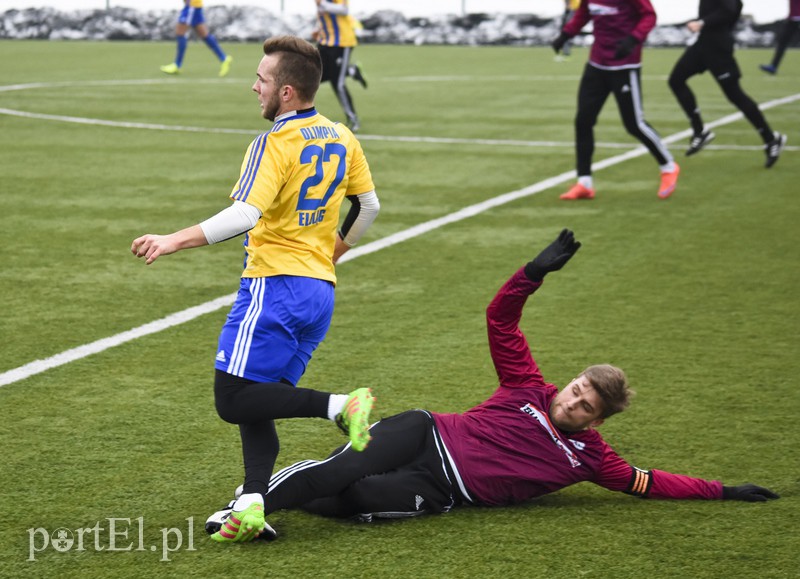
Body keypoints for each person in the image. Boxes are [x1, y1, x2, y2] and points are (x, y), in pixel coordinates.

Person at [205, 230, 779, 539]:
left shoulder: (592, 460)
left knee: (352, 500)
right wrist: (532, 274)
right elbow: (501, 319)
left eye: (586, 404)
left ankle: (276, 498)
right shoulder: (528, 385)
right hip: (424, 434)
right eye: (578, 387)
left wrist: (725, 490)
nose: (573, 399)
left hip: (442, 492)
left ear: (597, 420)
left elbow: (648, 483)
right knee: (343, 468)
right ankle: (242, 510)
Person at [132, 35, 381, 543]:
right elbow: (370, 206)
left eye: (262, 81)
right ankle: (250, 504)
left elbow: (246, 214)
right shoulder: (340, 136)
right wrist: (335, 252)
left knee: (232, 398)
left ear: (287, 92)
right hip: (318, 293)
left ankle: (340, 405)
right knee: (259, 398)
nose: (254, 87)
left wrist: (172, 240)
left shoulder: (274, 142)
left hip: (275, 289)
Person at [551, 0, 680, 201]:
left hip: (624, 66)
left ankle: (668, 166)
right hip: (596, 64)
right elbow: (584, 13)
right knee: (583, 121)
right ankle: (584, 183)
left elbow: (649, 16)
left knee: (634, 124)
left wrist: (633, 39)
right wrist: (566, 34)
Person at [668, 0, 787, 167]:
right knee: (676, 80)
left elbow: (730, 9)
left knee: (735, 95)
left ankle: (771, 139)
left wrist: (702, 23)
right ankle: (699, 131)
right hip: (702, 45)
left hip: (718, 49)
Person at [313, 0, 368, 132]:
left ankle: (353, 119)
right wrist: (317, 29)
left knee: (338, 83)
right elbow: (323, 14)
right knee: (314, 76)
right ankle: (351, 70)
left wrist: (323, 4)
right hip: (325, 42)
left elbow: (344, 10)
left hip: (342, 43)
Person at [160, 0, 233, 77]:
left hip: (192, 6)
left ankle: (177, 65)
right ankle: (224, 58)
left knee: (180, 32)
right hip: (194, 6)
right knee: (204, 35)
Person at [759, 0, 800, 75]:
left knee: (782, 43)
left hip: (797, 19)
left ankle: (773, 66)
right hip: (793, 19)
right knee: (782, 43)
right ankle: (773, 66)